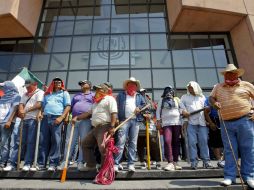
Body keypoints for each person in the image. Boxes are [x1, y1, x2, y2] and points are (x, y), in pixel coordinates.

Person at [209, 64, 254, 188]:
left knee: (248, 149)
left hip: (245, 120)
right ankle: (229, 177)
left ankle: (249, 176)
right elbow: (211, 98)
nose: (230, 75)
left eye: (233, 73)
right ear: (225, 75)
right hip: (226, 122)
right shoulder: (218, 87)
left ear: (237, 74)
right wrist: (214, 103)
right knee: (229, 150)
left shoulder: (247, 85)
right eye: (227, 73)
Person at [4, 79, 44, 171]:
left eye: (29, 86)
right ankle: (12, 164)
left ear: (35, 84)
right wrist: (21, 111)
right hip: (23, 120)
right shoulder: (24, 94)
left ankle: (27, 163)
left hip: (33, 119)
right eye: (26, 87)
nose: (27, 88)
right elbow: (21, 104)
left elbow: (39, 105)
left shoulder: (40, 92)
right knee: (18, 142)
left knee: (30, 142)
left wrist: (25, 111)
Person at [58, 80, 94, 171]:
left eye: (83, 83)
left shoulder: (93, 95)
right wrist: (67, 117)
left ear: (89, 85)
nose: (82, 85)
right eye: (81, 84)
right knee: (69, 141)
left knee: (83, 142)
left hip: (86, 121)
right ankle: (65, 162)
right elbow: (71, 107)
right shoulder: (76, 95)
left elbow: (94, 109)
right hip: (73, 121)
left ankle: (80, 162)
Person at [37, 77, 71, 171]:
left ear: (62, 83)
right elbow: (43, 106)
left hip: (57, 118)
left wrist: (61, 117)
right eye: (56, 82)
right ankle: (41, 164)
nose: (58, 83)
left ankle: (53, 163)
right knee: (43, 141)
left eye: (59, 82)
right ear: (53, 83)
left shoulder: (64, 93)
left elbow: (68, 106)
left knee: (56, 141)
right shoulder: (47, 94)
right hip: (45, 118)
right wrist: (40, 112)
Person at [81, 83, 117, 171]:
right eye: (96, 89)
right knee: (85, 143)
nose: (96, 91)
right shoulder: (96, 102)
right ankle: (91, 165)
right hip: (95, 128)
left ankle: (105, 169)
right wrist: (77, 117)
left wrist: (112, 126)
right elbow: (88, 113)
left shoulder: (109, 98)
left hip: (105, 126)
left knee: (103, 148)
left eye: (99, 89)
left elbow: (114, 113)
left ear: (105, 90)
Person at [114, 77, 146, 172]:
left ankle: (131, 164)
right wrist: (116, 118)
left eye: (133, 84)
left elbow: (144, 105)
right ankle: (116, 163)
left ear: (136, 86)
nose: (132, 85)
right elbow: (115, 107)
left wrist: (139, 108)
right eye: (130, 84)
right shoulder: (121, 95)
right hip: (123, 121)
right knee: (120, 142)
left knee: (133, 143)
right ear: (127, 85)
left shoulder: (139, 96)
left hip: (135, 121)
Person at [181, 81, 214, 170]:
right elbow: (181, 108)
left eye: (191, 87)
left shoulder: (202, 97)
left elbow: (207, 110)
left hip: (202, 123)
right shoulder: (184, 97)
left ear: (196, 87)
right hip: (191, 123)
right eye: (189, 87)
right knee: (192, 143)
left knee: (203, 142)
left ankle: (206, 161)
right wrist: (184, 112)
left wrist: (207, 110)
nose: (189, 89)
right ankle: (194, 162)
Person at [156, 86, 182, 171]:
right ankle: (170, 162)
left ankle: (176, 161)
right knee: (167, 141)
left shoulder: (177, 100)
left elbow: (182, 109)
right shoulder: (161, 100)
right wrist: (158, 121)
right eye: (167, 90)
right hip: (166, 123)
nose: (169, 92)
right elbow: (158, 111)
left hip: (177, 122)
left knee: (176, 142)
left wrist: (184, 115)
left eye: (170, 91)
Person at [137, 88, 161, 170]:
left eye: (143, 92)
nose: (142, 93)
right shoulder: (136, 99)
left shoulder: (150, 101)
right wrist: (142, 115)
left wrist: (150, 116)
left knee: (153, 142)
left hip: (150, 123)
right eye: (140, 92)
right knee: (140, 142)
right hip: (140, 123)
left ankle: (157, 161)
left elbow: (154, 111)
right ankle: (142, 162)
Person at [0, 81, 21, 168]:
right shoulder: (3, 97)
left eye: (4, 87)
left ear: (9, 87)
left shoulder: (16, 96)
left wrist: (9, 121)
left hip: (7, 122)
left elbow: (15, 109)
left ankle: (4, 162)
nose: (2, 89)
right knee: (2, 142)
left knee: (5, 143)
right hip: (0, 121)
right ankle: (3, 160)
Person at [204, 96, 224, 168]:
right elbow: (205, 112)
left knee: (227, 141)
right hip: (214, 119)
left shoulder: (224, 96)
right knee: (216, 142)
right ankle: (219, 160)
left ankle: (225, 160)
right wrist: (211, 123)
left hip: (225, 118)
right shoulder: (208, 99)